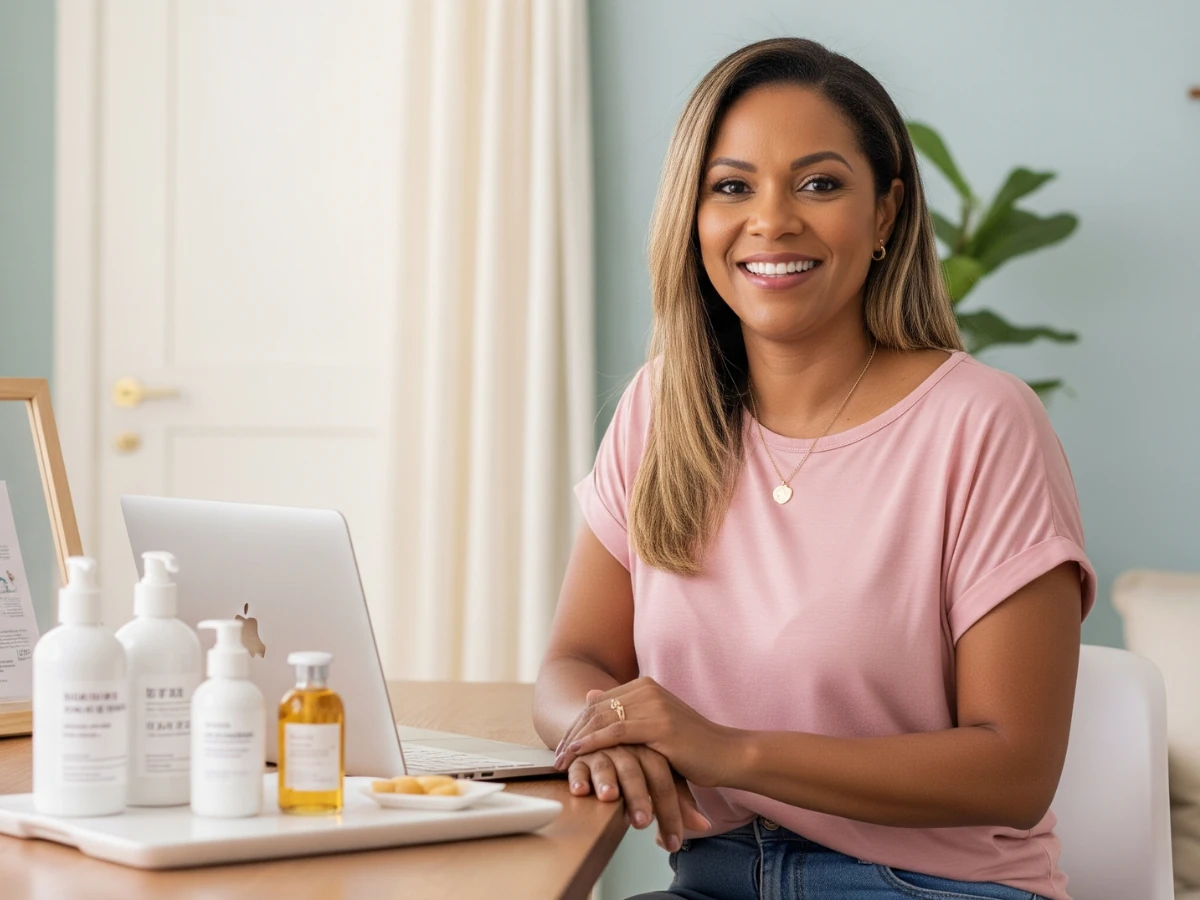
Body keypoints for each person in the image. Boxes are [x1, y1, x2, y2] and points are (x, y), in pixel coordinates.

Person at [533, 37, 1094, 900]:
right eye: (732, 186)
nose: (772, 220)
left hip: (930, 886)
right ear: (694, 215)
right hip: (713, 879)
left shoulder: (982, 422)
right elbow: (574, 661)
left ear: (886, 214)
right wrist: (601, 729)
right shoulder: (661, 410)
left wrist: (726, 748)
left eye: (820, 183)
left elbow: (1015, 769)